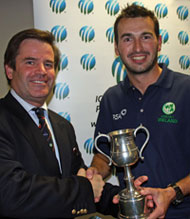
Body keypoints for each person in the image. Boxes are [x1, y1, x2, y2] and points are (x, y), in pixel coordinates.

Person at [0, 28, 121, 218]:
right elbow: (10, 192)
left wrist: (126, 199)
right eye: (30, 62)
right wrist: (86, 188)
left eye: (48, 64)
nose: (41, 71)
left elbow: (81, 179)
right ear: (9, 69)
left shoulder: (63, 126)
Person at [90, 4, 190, 219]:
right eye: (127, 39)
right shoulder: (111, 98)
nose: (137, 47)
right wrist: (94, 175)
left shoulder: (186, 89)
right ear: (116, 48)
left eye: (145, 37)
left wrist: (173, 192)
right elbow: (104, 154)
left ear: (159, 42)